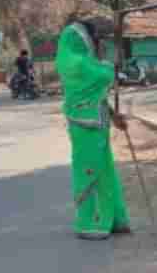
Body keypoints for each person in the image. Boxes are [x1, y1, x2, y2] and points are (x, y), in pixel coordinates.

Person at [56, 22, 131, 240]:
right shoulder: (74, 63)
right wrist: (111, 65)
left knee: (106, 172)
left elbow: (99, 95)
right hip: (84, 126)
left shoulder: (89, 63)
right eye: (93, 38)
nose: (95, 43)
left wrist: (115, 116)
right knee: (90, 171)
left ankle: (113, 219)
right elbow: (104, 76)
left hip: (99, 123)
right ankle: (91, 223)